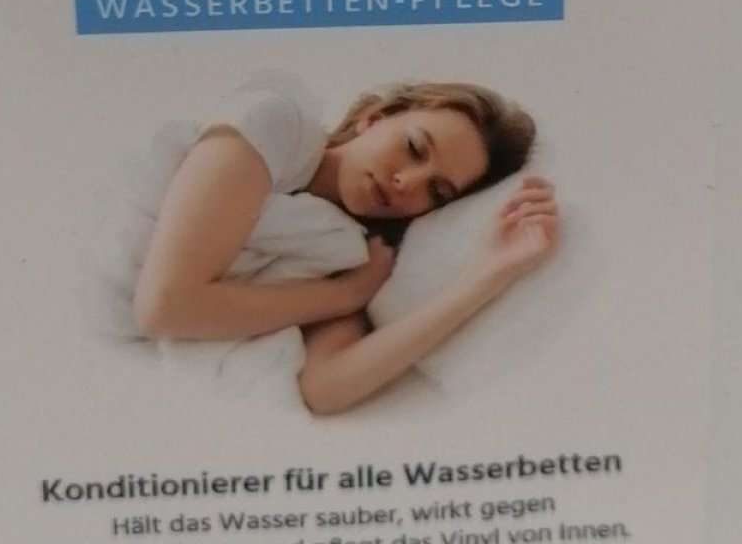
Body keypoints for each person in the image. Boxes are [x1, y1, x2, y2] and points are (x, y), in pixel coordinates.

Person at [129, 76, 557, 414]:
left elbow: (325, 388)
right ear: (374, 117)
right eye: (413, 148)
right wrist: (343, 295)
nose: (406, 182)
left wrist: (485, 277)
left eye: (436, 192)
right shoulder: (274, 123)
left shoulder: (348, 251)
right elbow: (164, 308)